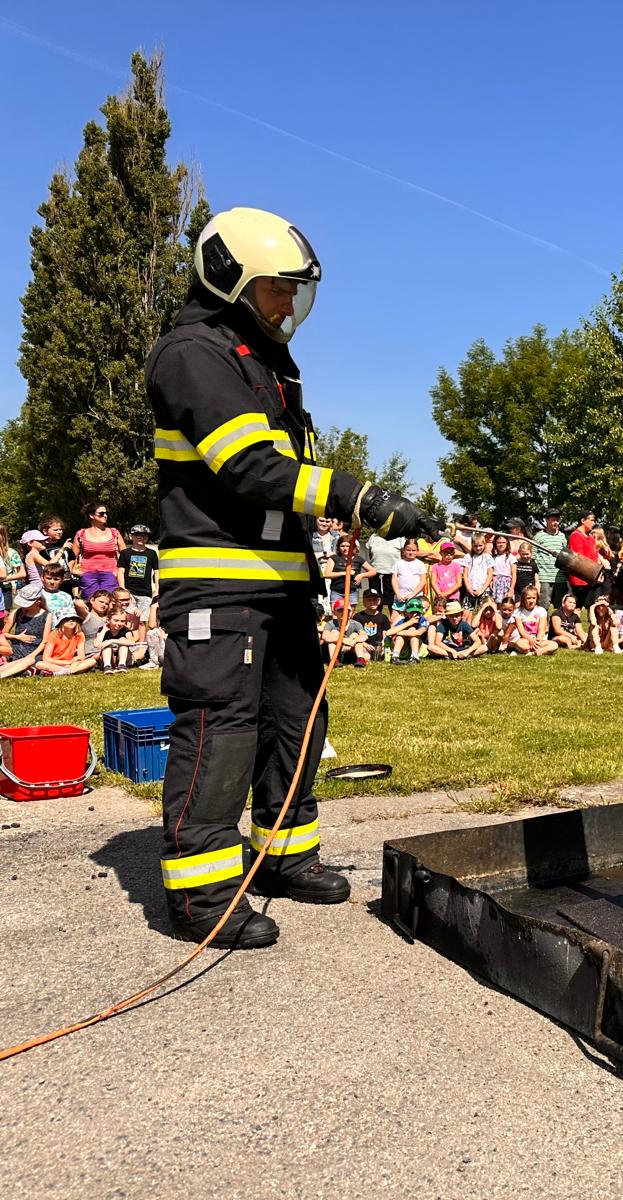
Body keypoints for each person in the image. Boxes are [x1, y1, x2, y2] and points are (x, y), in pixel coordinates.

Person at [144, 206, 439, 948]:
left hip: (279, 585)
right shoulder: (193, 354)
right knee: (222, 732)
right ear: (229, 280)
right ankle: (202, 893)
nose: (288, 305)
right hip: (219, 584)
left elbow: (287, 478)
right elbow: (249, 467)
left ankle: (282, 857)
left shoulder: (266, 364)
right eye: (278, 290)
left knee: (297, 723)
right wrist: (359, 499)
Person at [73, 501, 125, 599]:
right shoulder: (81, 534)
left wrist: (119, 571)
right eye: (101, 514)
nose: (105, 516)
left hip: (111, 574)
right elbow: (73, 556)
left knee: (108, 601)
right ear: (92, 516)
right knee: (90, 600)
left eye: (106, 513)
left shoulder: (114, 533)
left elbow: (125, 555)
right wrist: (75, 571)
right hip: (88, 574)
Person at [116, 524, 161, 620]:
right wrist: (122, 589)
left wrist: (157, 590)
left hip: (145, 592)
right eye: (138, 535)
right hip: (129, 592)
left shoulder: (152, 553)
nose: (141, 537)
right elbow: (120, 572)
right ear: (131, 536)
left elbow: (157, 572)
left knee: (143, 620)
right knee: (128, 618)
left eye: (144, 535)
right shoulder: (125, 553)